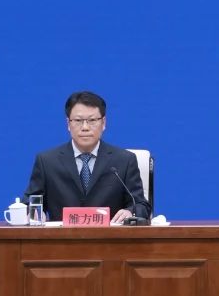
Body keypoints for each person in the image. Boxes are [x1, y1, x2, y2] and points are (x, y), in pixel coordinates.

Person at [25, 90, 149, 224]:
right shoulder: (47, 161)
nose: (85, 127)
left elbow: (141, 205)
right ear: (68, 124)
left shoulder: (124, 160)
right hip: (62, 236)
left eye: (92, 120)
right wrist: (34, 213)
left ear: (103, 123)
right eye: (78, 120)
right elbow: (29, 202)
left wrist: (130, 212)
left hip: (110, 236)